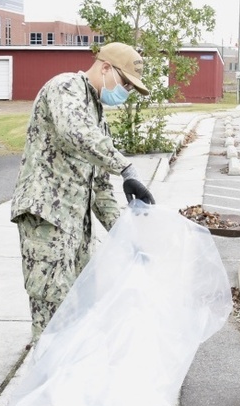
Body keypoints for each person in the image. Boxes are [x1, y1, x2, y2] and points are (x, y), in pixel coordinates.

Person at [10, 42, 156, 342]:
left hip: (76, 228)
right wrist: (125, 167)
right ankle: (47, 385)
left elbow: (100, 188)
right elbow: (74, 132)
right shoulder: (65, 87)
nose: (125, 91)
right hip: (47, 219)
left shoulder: (98, 116)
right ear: (105, 68)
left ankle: (70, 382)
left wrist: (128, 236)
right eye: (125, 83)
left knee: (80, 312)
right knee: (53, 313)